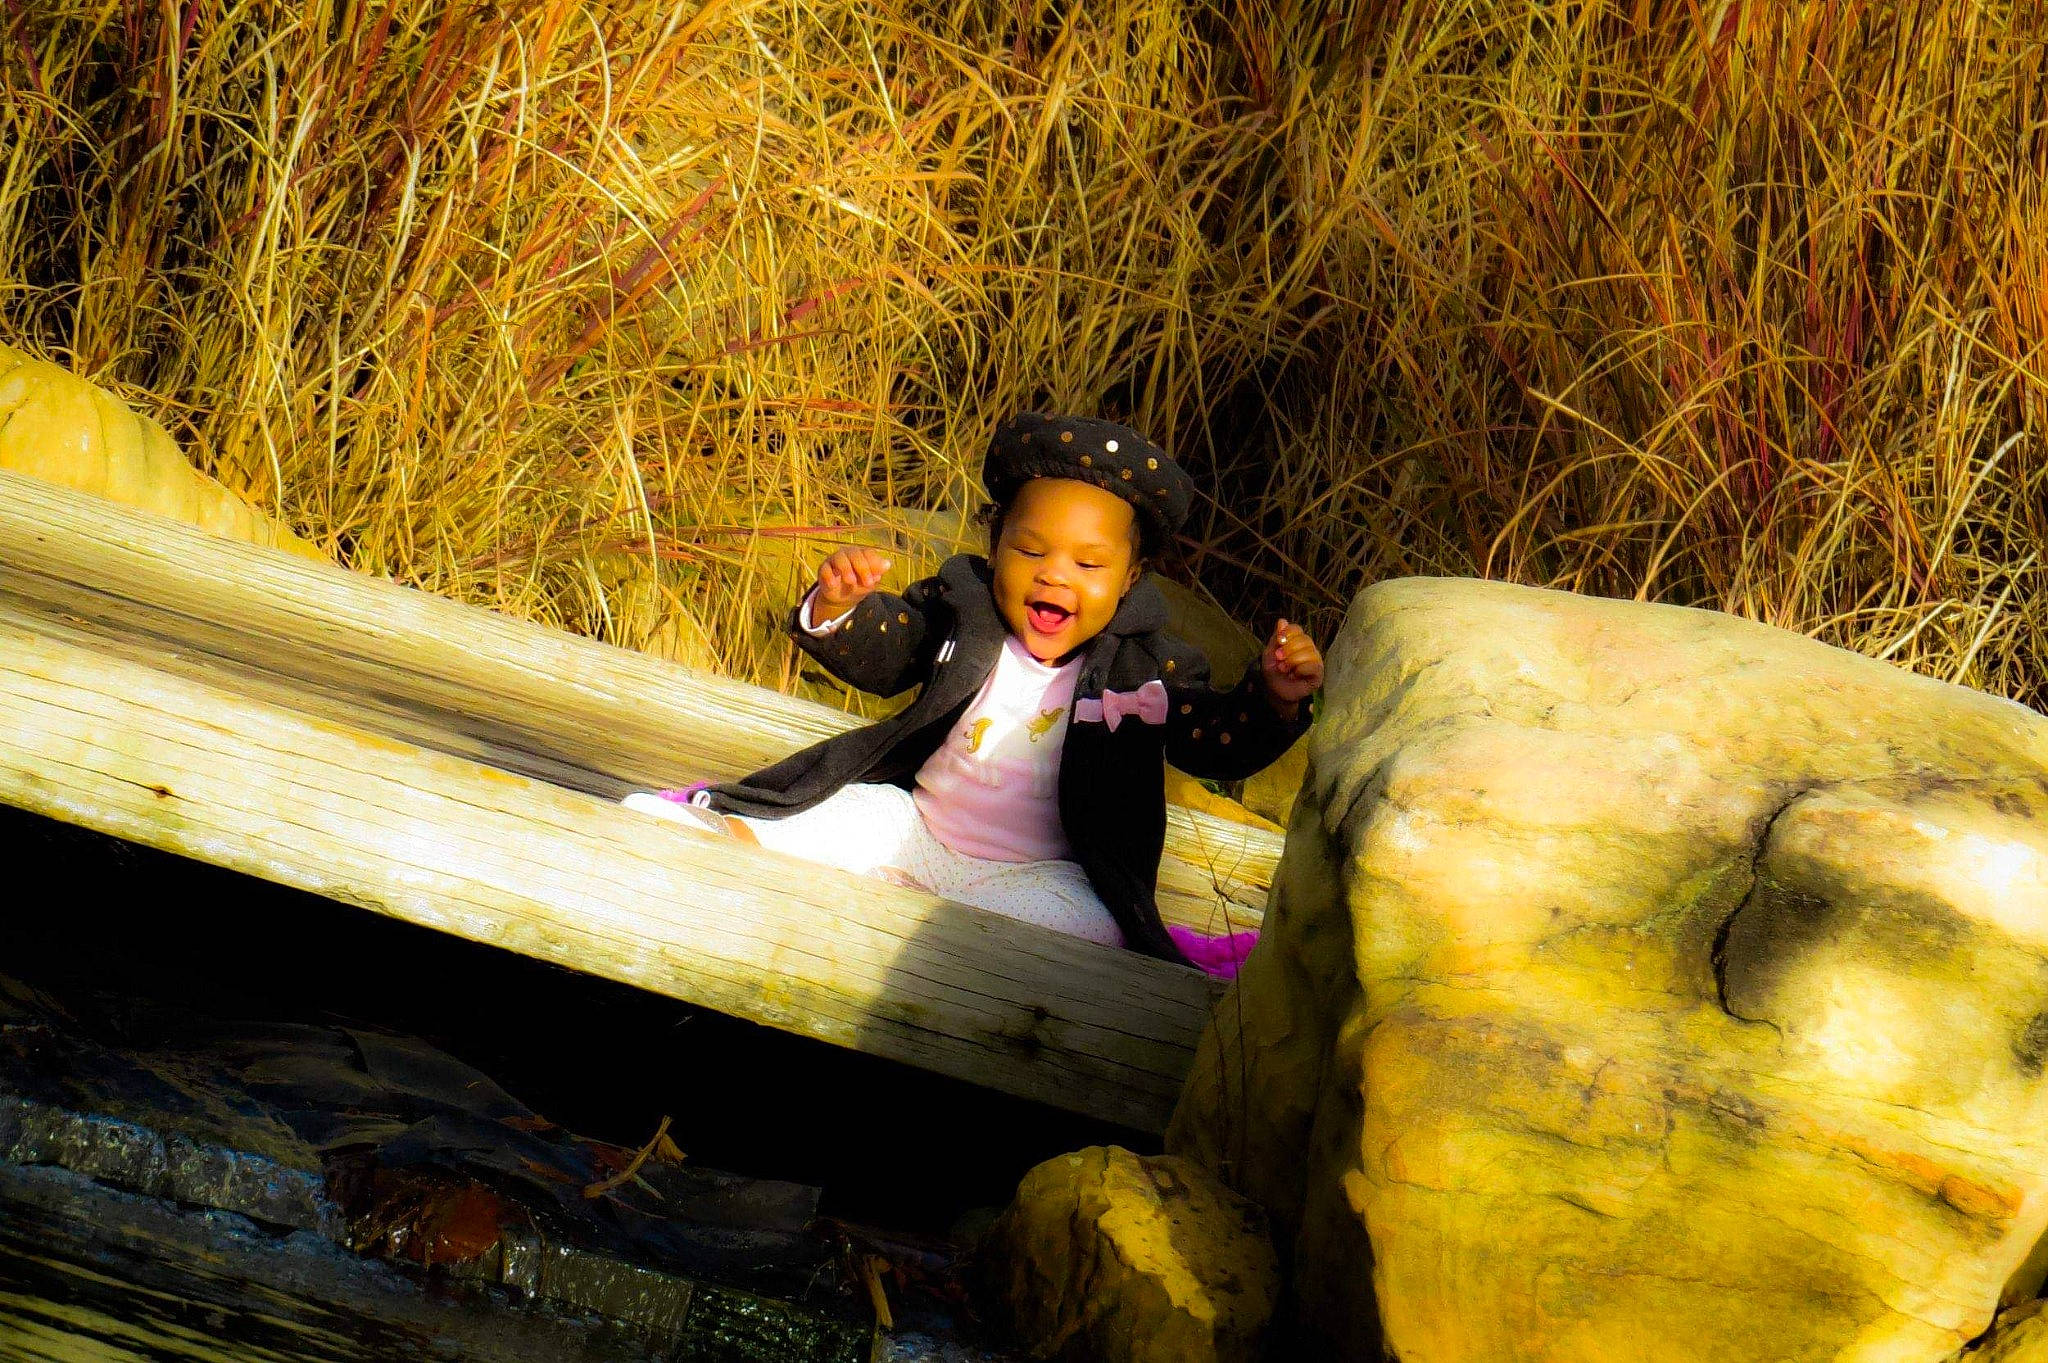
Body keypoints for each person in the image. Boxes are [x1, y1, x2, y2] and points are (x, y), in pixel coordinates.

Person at [624, 413, 1323, 972]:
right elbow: (895, 648)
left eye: (1087, 563)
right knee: (845, 812)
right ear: (995, 547)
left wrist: (1272, 698)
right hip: (919, 830)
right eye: (1031, 551)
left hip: (1036, 873)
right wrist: (840, 610)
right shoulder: (968, 610)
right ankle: (718, 830)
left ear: (1132, 577)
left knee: (1091, 925)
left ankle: (942, 934)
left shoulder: (1148, 666)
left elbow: (1213, 739)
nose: (1054, 577)